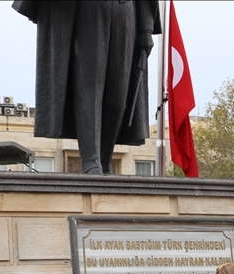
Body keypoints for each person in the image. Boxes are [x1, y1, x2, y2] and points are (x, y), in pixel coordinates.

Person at [14, 1, 161, 174]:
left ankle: (105, 161)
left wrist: (146, 28)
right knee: (89, 90)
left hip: (125, 11)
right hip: (89, 9)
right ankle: (92, 162)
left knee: (118, 98)